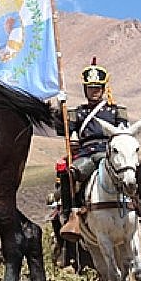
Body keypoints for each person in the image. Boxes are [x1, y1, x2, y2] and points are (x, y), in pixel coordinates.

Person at [55, 58, 128, 238]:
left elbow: (124, 133)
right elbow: (62, 130)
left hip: (110, 153)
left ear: (103, 89)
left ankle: (140, 209)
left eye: (97, 88)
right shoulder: (77, 113)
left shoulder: (116, 111)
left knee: (130, 170)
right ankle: (71, 214)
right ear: (85, 89)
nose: (94, 92)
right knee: (69, 174)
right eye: (90, 88)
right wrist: (59, 109)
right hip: (87, 154)